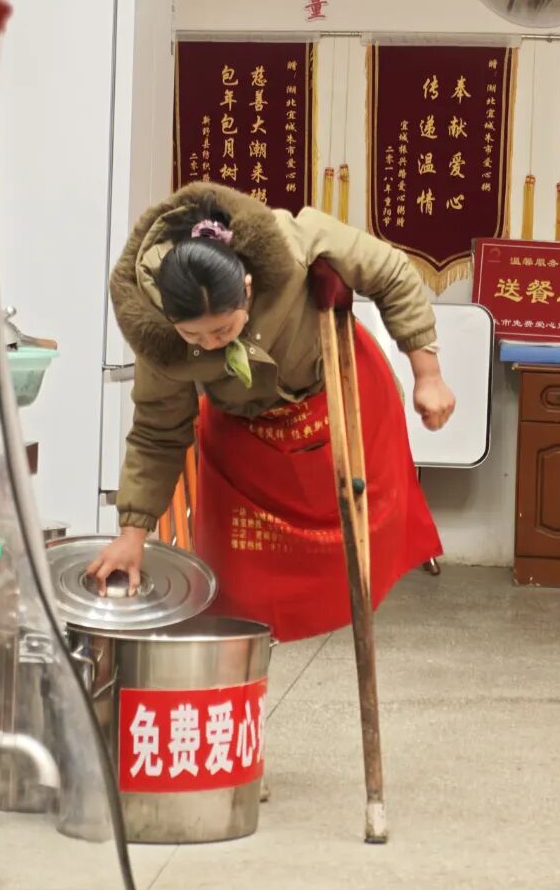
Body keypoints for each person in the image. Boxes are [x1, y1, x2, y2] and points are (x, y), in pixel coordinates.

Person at [87, 183, 455, 643]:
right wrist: (132, 532)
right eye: (194, 337)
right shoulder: (158, 340)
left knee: (364, 548)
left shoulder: (290, 241)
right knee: (236, 583)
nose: (211, 345)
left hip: (333, 394)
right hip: (248, 430)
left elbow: (390, 271)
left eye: (223, 330)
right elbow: (156, 434)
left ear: (247, 289)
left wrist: (428, 374)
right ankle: (242, 676)